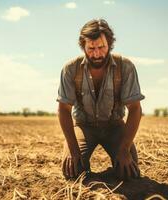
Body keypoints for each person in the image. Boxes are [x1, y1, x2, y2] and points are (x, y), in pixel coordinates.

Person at [57, 18, 145, 181]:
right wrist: (73, 148)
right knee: (74, 171)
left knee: (129, 173)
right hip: (84, 126)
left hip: (115, 126)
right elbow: (64, 109)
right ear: (83, 46)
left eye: (101, 47)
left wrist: (124, 149)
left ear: (110, 44)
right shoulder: (70, 69)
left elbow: (135, 109)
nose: (96, 53)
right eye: (91, 48)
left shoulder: (125, 67)